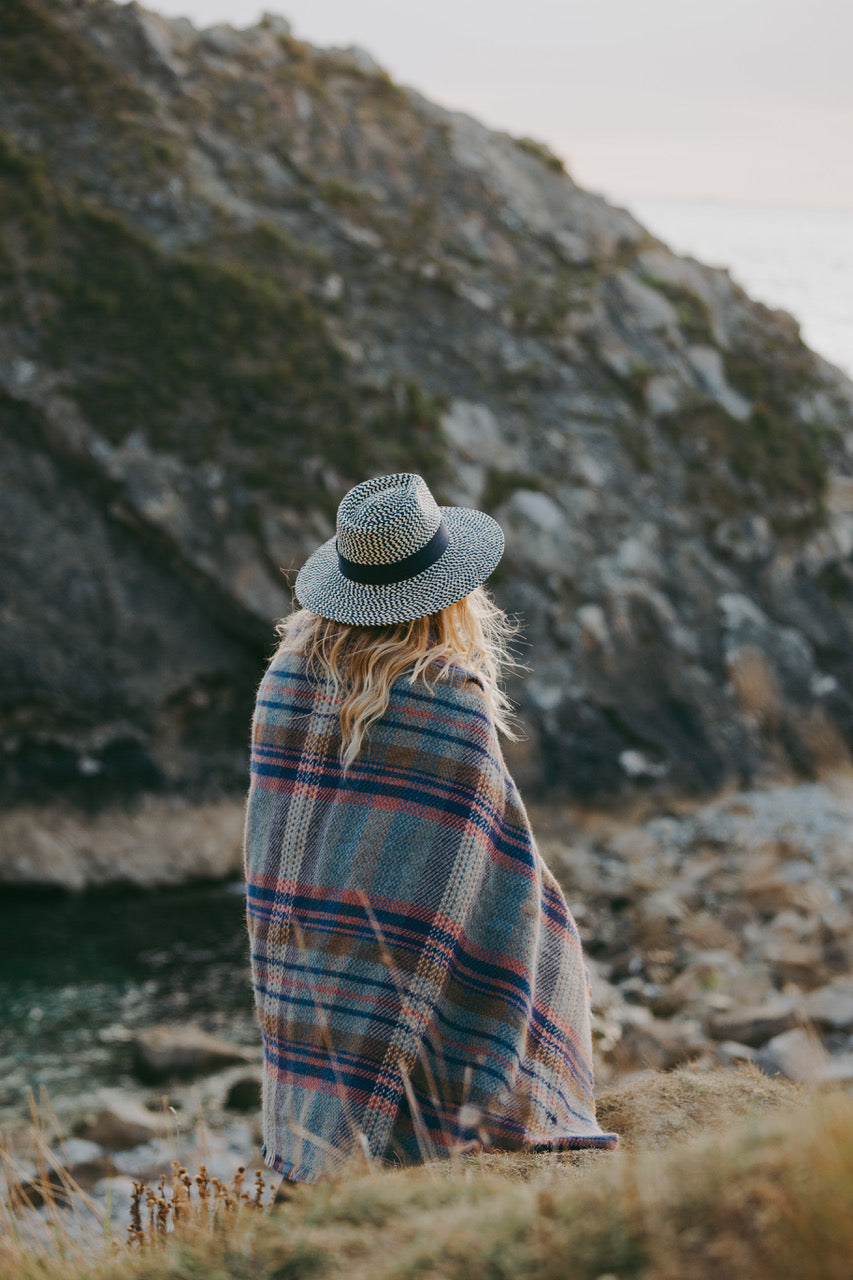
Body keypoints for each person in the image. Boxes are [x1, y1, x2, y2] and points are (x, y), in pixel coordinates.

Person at [243, 472, 618, 1185]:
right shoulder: (451, 701)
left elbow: (280, 848)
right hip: (408, 970)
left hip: (308, 969)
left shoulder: (282, 682)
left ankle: (318, 1150)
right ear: (447, 593)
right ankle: (446, 1117)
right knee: (543, 939)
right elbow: (504, 867)